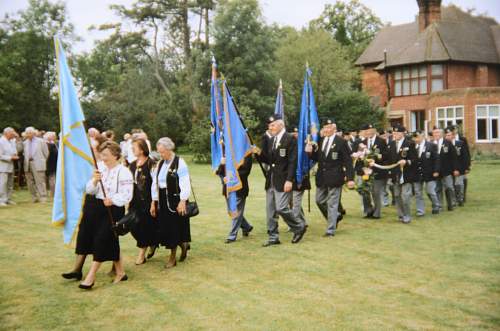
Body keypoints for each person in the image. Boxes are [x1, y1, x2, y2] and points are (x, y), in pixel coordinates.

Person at [78, 141, 133, 289]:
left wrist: (114, 200)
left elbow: (127, 195)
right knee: (110, 241)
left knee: (102, 240)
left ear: (115, 155)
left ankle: (90, 277)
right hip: (97, 209)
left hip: (113, 210)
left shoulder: (124, 172)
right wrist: (95, 181)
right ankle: (121, 272)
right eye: (101, 154)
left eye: (106, 155)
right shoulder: (100, 168)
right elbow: (89, 190)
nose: (102, 157)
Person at [253, 114, 306, 246]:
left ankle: (299, 227)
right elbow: (269, 160)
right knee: (270, 211)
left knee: (282, 208)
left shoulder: (290, 139)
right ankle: (273, 237)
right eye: (269, 126)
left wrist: (289, 180)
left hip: (283, 180)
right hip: (271, 179)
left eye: (273, 125)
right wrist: (259, 153)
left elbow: (293, 162)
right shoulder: (272, 140)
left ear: (281, 124)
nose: (270, 128)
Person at [306, 118, 355, 237]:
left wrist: (350, 178)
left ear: (334, 129)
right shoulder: (321, 141)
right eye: (325, 128)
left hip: (335, 177)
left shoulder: (341, 142)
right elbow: (318, 158)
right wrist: (310, 152)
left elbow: (348, 161)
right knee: (319, 200)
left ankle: (330, 229)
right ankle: (336, 216)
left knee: (333, 203)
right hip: (322, 177)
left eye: (329, 128)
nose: (326, 130)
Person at [150, 137, 192, 268]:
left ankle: (172, 258)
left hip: (176, 198)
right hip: (163, 198)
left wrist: (183, 201)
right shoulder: (160, 164)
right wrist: (154, 202)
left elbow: (185, 183)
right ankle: (183, 244)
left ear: (169, 149)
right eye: (159, 152)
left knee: (174, 227)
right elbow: (155, 184)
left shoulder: (180, 162)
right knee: (166, 227)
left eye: (162, 152)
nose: (160, 155)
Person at [129, 138, 157, 264]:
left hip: (148, 200)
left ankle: (142, 254)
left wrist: (153, 203)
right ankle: (152, 242)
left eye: (134, 147)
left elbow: (155, 184)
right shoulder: (132, 164)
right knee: (132, 225)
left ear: (142, 149)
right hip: (134, 200)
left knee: (144, 226)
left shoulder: (151, 164)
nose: (132, 149)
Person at [217, 154, 254, 243]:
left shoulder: (247, 153)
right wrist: (222, 164)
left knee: (236, 211)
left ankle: (232, 235)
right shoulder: (228, 150)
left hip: (239, 188)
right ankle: (246, 227)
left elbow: (245, 171)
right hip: (227, 188)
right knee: (232, 211)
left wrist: (230, 177)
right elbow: (220, 172)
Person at [388, 125, 417, 224]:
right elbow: (389, 160)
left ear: (402, 133)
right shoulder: (391, 144)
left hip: (406, 175)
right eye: (393, 133)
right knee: (396, 195)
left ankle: (407, 215)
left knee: (405, 196)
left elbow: (415, 159)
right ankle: (401, 214)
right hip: (395, 175)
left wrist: (407, 161)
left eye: (397, 133)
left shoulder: (409, 144)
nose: (394, 135)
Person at [362, 124, 389, 219]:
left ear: (374, 130)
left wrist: (377, 158)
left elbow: (386, 155)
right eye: (366, 130)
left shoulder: (381, 141)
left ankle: (377, 213)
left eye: (370, 130)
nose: (368, 132)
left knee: (376, 192)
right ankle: (368, 211)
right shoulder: (363, 142)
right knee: (364, 191)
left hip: (377, 171)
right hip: (366, 171)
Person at [412, 130, 441, 216]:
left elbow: (437, 159)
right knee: (418, 192)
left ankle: (436, 206)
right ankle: (420, 211)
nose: (415, 139)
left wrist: (436, 171)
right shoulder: (413, 146)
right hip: (417, 173)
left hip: (429, 172)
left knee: (430, 191)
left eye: (417, 137)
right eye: (414, 137)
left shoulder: (431, 146)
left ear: (422, 136)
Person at [432, 127, 459, 211]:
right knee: (437, 188)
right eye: (434, 133)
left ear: (441, 134)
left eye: (437, 133)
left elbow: (454, 157)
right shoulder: (430, 144)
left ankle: (451, 203)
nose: (436, 134)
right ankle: (439, 205)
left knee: (449, 187)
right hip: (435, 171)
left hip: (447, 170)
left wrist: (455, 169)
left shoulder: (447, 143)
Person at [22, 127, 49, 203]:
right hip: (27, 164)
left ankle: (43, 197)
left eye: (30, 133)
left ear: (33, 133)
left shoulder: (41, 141)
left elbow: (46, 153)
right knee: (29, 182)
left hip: (38, 163)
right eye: (27, 133)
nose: (28, 134)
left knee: (40, 181)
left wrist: (42, 161)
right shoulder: (25, 143)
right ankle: (34, 197)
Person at [451, 128, 470, 206]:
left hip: (461, 165)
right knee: (453, 184)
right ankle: (455, 198)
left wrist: (467, 166)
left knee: (460, 182)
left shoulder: (462, 140)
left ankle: (461, 198)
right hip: (451, 167)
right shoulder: (448, 142)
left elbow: (466, 154)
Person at [0, 127, 19, 207]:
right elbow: (0, 156)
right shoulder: (1, 141)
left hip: (11, 165)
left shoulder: (12, 141)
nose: (13, 135)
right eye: (12, 134)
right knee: (3, 184)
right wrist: (10, 157)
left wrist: (14, 154)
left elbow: (14, 151)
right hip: (3, 166)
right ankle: (1, 200)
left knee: (10, 184)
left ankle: (8, 199)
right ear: (6, 133)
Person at [45, 132, 58, 198]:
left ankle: (53, 193)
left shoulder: (54, 144)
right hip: (50, 164)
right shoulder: (48, 144)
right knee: (52, 179)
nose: (55, 137)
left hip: (55, 164)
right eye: (54, 136)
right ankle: (53, 193)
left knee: (53, 179)